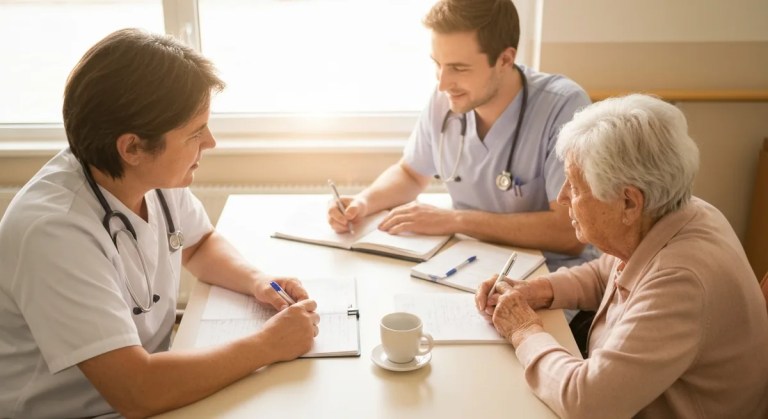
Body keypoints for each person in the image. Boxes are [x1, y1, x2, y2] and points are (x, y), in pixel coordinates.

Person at [0, 28, 320, 418]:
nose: (212, 143)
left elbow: (199, 245)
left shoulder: (148, 176)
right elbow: (138, 392)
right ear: (132, 147)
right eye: (196, 133)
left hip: (148, 389)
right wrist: (268, 345)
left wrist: (258, 283)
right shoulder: (53, 232)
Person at [476, 94, 768, 418]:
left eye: (573, 185)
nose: (561, 198)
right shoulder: (676, 212)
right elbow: (607, 272)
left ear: (629, 203)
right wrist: (539, 290)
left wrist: (524, 330)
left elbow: (587, 402)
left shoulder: (681, 282)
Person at [327, 0, 596, 272]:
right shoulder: (447, 99)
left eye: (458, 68)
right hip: (470, 264)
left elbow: (569, 233)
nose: (442, 83)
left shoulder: (563, 106)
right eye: (438, 64)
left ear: (505, 59)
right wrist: (363, 202)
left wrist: (455, 220)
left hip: (551, 277)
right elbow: (410, 173)